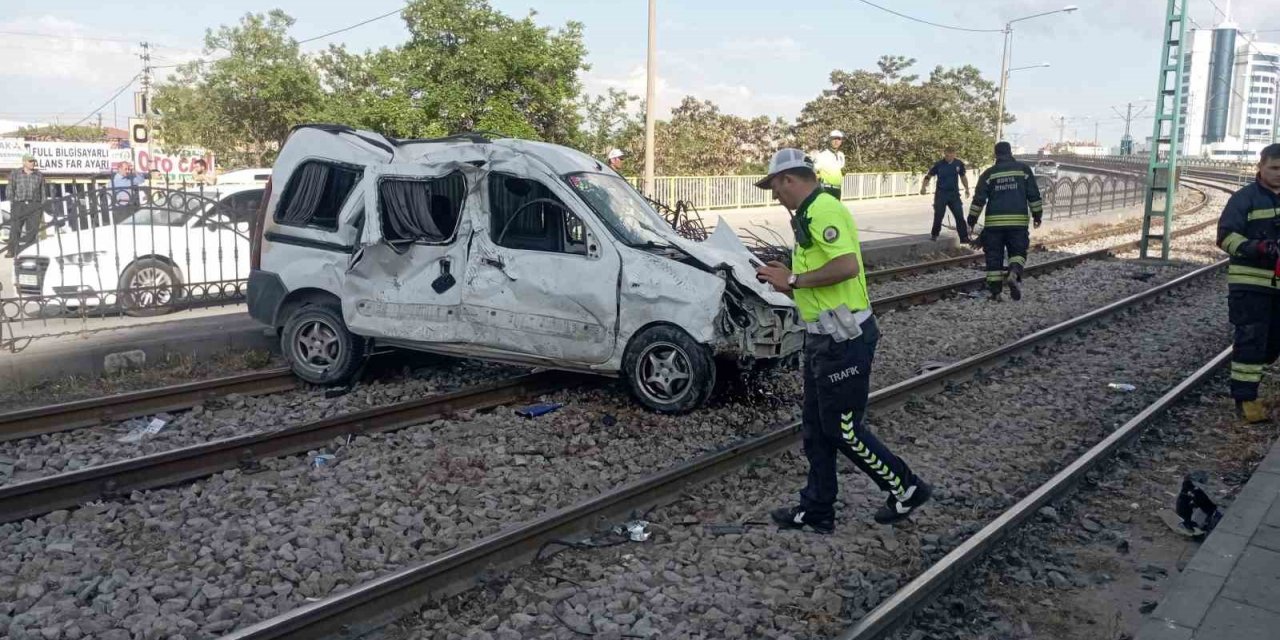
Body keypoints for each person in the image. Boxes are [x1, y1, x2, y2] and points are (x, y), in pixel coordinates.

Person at [754, 148, 931, 532]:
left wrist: (796, 280)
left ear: (789, 179)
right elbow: (818, 280)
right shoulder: (809, 214)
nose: (773, 195)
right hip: (823, 338)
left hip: (844, 340)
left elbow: (846, 266)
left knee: (843, 428)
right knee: (816, 429)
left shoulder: (824, 211)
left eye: (774, 186)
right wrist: (787, 279)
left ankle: (906, 486)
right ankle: (817, 507)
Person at [1216, 143, 1280, 424]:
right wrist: (1256, 248)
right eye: (1274, 168)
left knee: (1271, 345)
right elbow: (1226, 236)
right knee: (1251, 342)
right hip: (1251, 286)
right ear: (1261, 167)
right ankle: (1246, 401)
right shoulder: (1245, 199)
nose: (1279, 174)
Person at [966, 141, 1044, 301]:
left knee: (994, 256)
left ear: (996, 155)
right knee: (1018, 252)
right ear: (1010, 153)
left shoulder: (989, 174)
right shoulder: (1024, 170)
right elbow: (1034, 195)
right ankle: (1014, 272)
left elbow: (978, 200)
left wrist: (971, 220)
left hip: (994, 225)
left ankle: (996, 293)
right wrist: (1037, 215)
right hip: (1017, 223)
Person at [921, 146, 971, 243]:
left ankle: (964, 238)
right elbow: (928, 176)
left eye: (951, 155)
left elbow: (963, 176)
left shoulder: (958, 164)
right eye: (947, 155)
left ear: (954, 154)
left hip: (954, 195)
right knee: (939, 215)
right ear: (945, 154)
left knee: (959, 216)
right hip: (941, 194)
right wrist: (923, 187)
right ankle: (934, 234)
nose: (949, 157)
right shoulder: (939, 164)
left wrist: (967, 189)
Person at [6, 154, 45, 257]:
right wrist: (13, 202)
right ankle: (11, 250)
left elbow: (43, 191)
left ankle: (28, 251)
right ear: (24, 162)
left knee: (32, 229)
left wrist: (41, 205)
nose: (33, 163)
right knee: (15, 228)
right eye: (30, 161)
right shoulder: (15, 173)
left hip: (34, 205)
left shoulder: (39, 175)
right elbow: (10, 189)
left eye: (33, 161)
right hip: (19, 204)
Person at [812, 130, 846, 199]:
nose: (836, 141)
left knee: (836, 209)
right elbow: (813, 170)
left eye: (839, 139)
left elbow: (841, 170)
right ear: (830, 140)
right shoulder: (822, 155)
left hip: (837, 189)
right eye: (834, 139)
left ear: (841, 141)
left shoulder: (841, 155)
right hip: (825, 189)